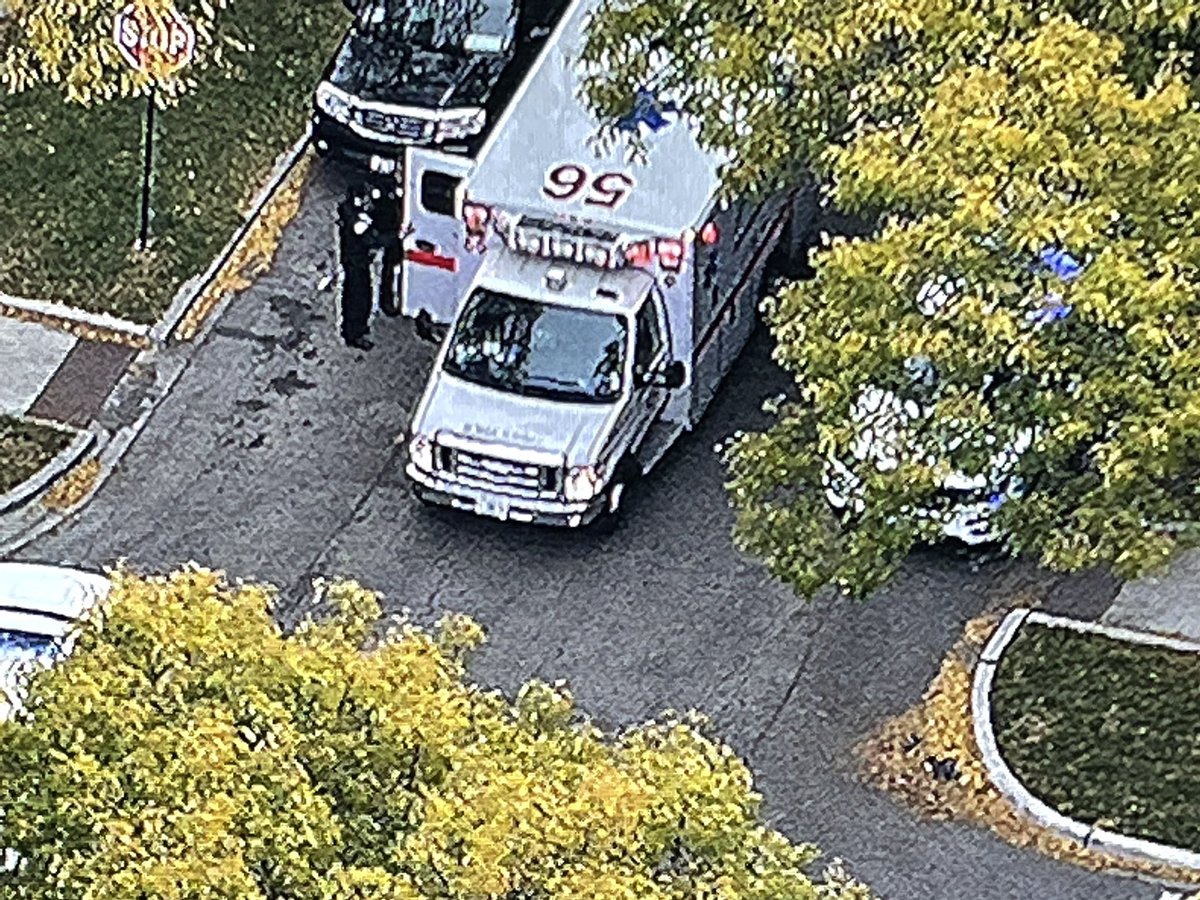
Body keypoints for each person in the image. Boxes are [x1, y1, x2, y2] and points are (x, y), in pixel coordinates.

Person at [337, 183, 375, 350]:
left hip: (357, 261)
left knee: (361, 295)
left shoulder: (351, 214)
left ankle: (357, 327)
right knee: (357, 298)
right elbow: (364, 234)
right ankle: (354, 332)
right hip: (355, 262)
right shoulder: (354, 219)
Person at [364, 176, 404, 317]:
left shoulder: (393, 196)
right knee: (383, 273)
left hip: (390, 237)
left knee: (388, 273)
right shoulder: (384, 196)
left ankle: (385, 303)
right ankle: (381, 303)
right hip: (385, 237)